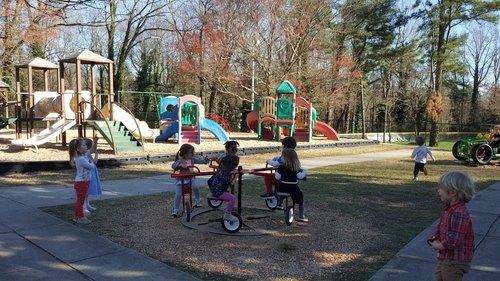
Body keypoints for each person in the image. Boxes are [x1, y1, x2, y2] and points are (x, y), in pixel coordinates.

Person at [428, 172, 475, 281]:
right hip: (446, 257)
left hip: (455, 260)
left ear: (452, 192)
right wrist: (434, 238)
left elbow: (454, 239)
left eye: (440, 188)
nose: (438, 190)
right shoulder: (449, 210)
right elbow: (441, 228)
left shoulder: (459, 213)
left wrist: (439, 246)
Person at [171, 144, 209, 218]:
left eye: (193, 152)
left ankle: (198, 201)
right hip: (181, 180)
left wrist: (205, 160)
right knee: (178, 194)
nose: (193, 154)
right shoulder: (180, 160)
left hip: (190, 179)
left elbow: (201, 161)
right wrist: (180, 166)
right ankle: (175, 209)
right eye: (191, 153)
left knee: (195, 187)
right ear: (185, 154)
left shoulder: (192, 159)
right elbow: (173, 166)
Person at [69, 138, 97, 224]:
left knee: (80, 201)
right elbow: (92, 166)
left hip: (83, 182)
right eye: (84, 145)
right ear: (78, 149)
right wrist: (95, 157)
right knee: (80, 202)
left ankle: (78, 217)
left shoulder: (84, 155)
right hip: (81, 183)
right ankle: (80, 217)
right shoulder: (81, 159)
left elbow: (92, 149)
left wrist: (95, 142)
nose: (86, 147)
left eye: (86, 144)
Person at [275, 148, 308, 222]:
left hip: (282, 187)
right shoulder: (295, 168)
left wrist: (277, 173)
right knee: (300, 198)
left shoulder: (281, 167)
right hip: (293, 187)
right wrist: (305, 172)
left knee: (281, 193)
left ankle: (279, 203)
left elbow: (277, 177)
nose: (281, 158)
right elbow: (300, 176)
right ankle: (301, 215)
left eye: (282, 157)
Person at [207, 154, 240, 222]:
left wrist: (233, 172)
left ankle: (227, 208)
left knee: (229, 196)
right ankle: (227, 215)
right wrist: (236, 177)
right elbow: (230, 184)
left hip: (216, 189)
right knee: (232, 198)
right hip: (218, 191)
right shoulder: (224, 174)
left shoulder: (222, 169)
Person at [83, 137, 101, 213]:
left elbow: (93, 149)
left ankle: (87, 204)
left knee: (88, 190)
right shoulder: (85, 153)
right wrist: (96, 154)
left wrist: (95, 142)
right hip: (86, 175)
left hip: (91, 174)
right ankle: (83, 207)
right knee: (85, 191)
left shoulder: (87, 152)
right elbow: (94, 161)